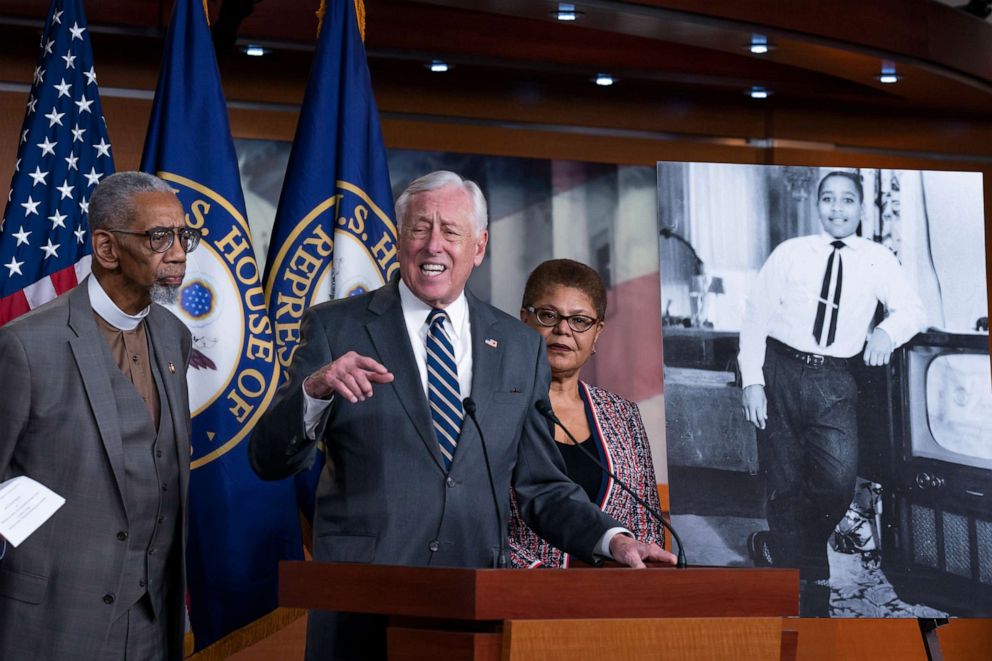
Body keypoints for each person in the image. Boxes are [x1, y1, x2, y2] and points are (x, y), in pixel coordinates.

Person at [249, 170, 675, 660]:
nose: (434, 245)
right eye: (419, 229)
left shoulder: (518, 348)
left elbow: (542, 486)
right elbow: (268, 460)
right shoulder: (336, 326)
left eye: (451, 231)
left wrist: (613, 539)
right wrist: (315, 390)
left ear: (479, 245)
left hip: (471, 610)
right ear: (399, 238)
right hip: (361, 605)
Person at [0, 171, 198, 659]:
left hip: (155, 617)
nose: (178, 252)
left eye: (183, 235)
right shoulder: (25, 345)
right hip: (53, 620)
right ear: (107, 249)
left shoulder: (175, 336)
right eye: (159, 236)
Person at [738, 170, 927, 615]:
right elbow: (755, 315)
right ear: (817, 204)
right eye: (828, 199)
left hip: (835, 379)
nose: (836, 209)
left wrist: (885, 331)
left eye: (846, 201)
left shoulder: (878, 258)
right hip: (780, 369)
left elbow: (914, 310)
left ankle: (779, 545)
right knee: (784, 481)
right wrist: (752, 381)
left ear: (861, 209)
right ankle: (810, 584)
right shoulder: (791, 253)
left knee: (838, 480)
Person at [507, 259, 665, 567]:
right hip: (519, 593)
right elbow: (477, 523)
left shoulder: (622, 414)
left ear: (597, 333)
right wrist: (541, 584)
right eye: (548, 315)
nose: (563, 330)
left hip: (614, 596)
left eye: (580, 321)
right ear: (524, 320)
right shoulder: (491, 405)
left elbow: (646, 525)